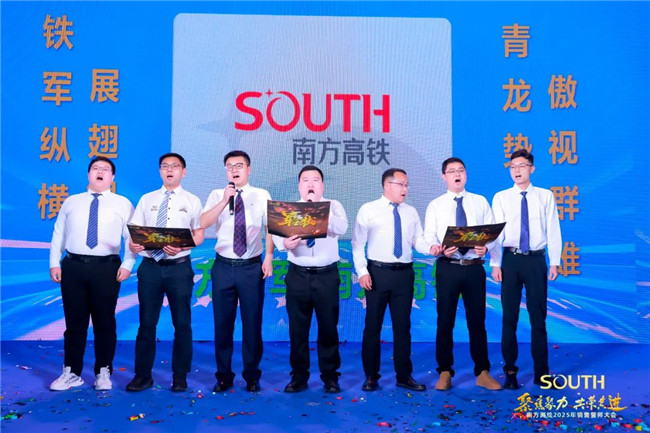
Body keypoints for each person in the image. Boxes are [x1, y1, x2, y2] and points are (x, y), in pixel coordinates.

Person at [49, 156, 135, 391]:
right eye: (96, 168)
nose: (100, 172)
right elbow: (58, 233)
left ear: (112, 177)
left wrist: (128, 264)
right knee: (74, 322)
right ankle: (71, 372)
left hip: (107, 268)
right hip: (73, 266)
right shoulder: (71, 202)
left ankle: (103, 371)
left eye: (105, 169)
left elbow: (131, 237)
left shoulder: (122, 203)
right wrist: (54, 262)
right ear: (88, 174)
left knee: (104, 321)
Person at [125, 152, 204, 393]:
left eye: (175, 166)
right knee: (146, 323)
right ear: (160, 171)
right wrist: (133, 244)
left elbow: (199, 234)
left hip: (179, 268)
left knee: (182, 323)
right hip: (150, 267)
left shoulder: (192, 200)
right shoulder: (147, 199)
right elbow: (134, 232)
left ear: (183, 171)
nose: (169, 170)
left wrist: (183, 246)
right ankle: (142, 376)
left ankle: (180, 376)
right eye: (165, 166)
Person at [423, 157, 502, 391]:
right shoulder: (435, 205)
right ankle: (445, 371)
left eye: (461, 170)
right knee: (445, 320)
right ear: (444, 177)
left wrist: (486, 247)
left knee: (477, 320)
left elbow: (492, 233)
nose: (457, 174)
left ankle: (483, 372)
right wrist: (439, 248)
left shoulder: (480, 202)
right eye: (452, 171)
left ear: (466, 175)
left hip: (474, 267)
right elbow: (429, 236)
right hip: (447, 267)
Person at [200, 150, 273, 393]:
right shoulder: (217, 195)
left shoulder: (261, 195)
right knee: (223, 324)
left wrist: (269, 257)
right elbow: (204, 223)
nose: (234, 169)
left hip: (251, 267)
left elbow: (270, 228)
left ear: (248, 169)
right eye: (229, 166)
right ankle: (223, 376)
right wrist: (224, 200)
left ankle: (252, 375)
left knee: (252, 323)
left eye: (239, 165)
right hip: (223, 266)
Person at [272, 165, 348, 393]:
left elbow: (342, 228)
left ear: (322, 185)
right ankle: (299, 377)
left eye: (315, 180)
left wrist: (318, 211)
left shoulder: (334, 206)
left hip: (326, 275)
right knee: (298, 329)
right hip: (298, 274)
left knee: (328, 328)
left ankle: (330, 377)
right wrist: (286, 244)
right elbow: (278, 239)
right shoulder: (288, 210)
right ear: (299, 186)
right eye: (306, 180)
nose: (311, 184)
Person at [352, 168, 429, 392]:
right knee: (373, 326)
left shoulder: (411, 212)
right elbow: (358, 244)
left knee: (403, 327)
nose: (405, 189)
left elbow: (418, 241)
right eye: (400, 184)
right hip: (377, 273)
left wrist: (431, 248)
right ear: (387, 185)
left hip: (404, 274)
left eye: (406, 185)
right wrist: (362, 271)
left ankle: (404, 376)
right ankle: (371, 376)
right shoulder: (369, 209)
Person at [490, 149, 562, 389]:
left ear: (532, 169)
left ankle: (542, 373)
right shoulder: (501, 197)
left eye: (521, 166)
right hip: (510, 260)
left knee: (538, 318)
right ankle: (510, 373)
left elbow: (553, 228)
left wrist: (554, 261)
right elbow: (496, 233)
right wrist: (495, 263)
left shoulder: (545, 196)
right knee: (509, 318)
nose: (516, 170)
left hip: (535, 261)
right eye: (512, 166)